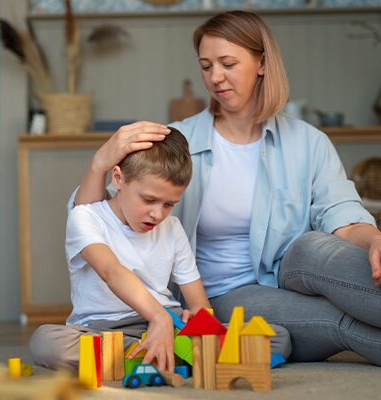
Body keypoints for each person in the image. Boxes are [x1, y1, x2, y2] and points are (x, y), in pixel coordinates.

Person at [70, 10, 381, 384]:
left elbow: (341, 214)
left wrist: (377, 243)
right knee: (339, 322)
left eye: (228, 63)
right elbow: (95, 215)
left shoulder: (306, 141)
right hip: (219, 297)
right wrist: (98, 162)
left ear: (262, 64)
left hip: (292, 267)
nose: (216, 77)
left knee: (317, 245)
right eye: (206, 66)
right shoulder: (176, 140)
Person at [29, 130, 291, 374]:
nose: (158, 214)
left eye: (169, 204)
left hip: (170, 322)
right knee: (47, 343)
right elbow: (111, 271)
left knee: (277, 338)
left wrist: (197, 320)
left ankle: (152, 356)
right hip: (105, 329)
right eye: (149, 200)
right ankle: (165, 355)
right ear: (118, 179)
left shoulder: (172, 228)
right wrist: (157, 318)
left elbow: (199, 304)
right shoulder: (85, 217)